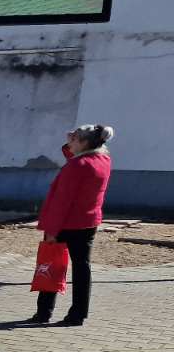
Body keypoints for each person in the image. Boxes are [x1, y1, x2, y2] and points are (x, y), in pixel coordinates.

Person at [29, 124, 113, 327]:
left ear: (84, 143)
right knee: (82, 268)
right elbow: (74, 157)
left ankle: (44, 313)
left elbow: (62, 201)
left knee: (51, 266)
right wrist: (70, 143)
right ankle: (78, 314)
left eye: (74, 139)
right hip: (88, 222)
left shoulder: (77, 166)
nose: (70, 142)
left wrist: (51, 231)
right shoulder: (102, 160)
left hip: (67, 223)